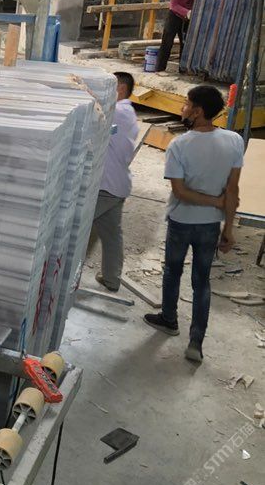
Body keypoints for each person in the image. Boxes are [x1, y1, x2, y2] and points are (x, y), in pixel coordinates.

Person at [143, 85, 243, 362]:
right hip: (210, 225)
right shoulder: (234, 141)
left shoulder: (179, 145)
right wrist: (228, 227)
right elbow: (232, 190)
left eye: (187, 104)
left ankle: (169, 319)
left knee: (172, 272)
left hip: (181, 221)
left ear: (198, 111)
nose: (183, 108)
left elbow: (180, 192)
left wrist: (215, 202)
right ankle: (196, 343)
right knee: (202, 282)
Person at [89, 71, 140, 291]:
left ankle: (65, 278)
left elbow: (91, 111)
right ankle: (111, 279)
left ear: (120, 89)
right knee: (111, 234)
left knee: (75, 229)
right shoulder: (126, 112)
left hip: (106, 186)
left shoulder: (117, 111)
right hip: (117, 185)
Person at [156, 0, 200, 74]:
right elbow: (174, 5)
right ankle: (160, 68)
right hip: (174, 16)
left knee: (185, 43)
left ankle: (183, 68)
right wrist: (186, 12)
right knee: (167, 42)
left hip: (188, 17)